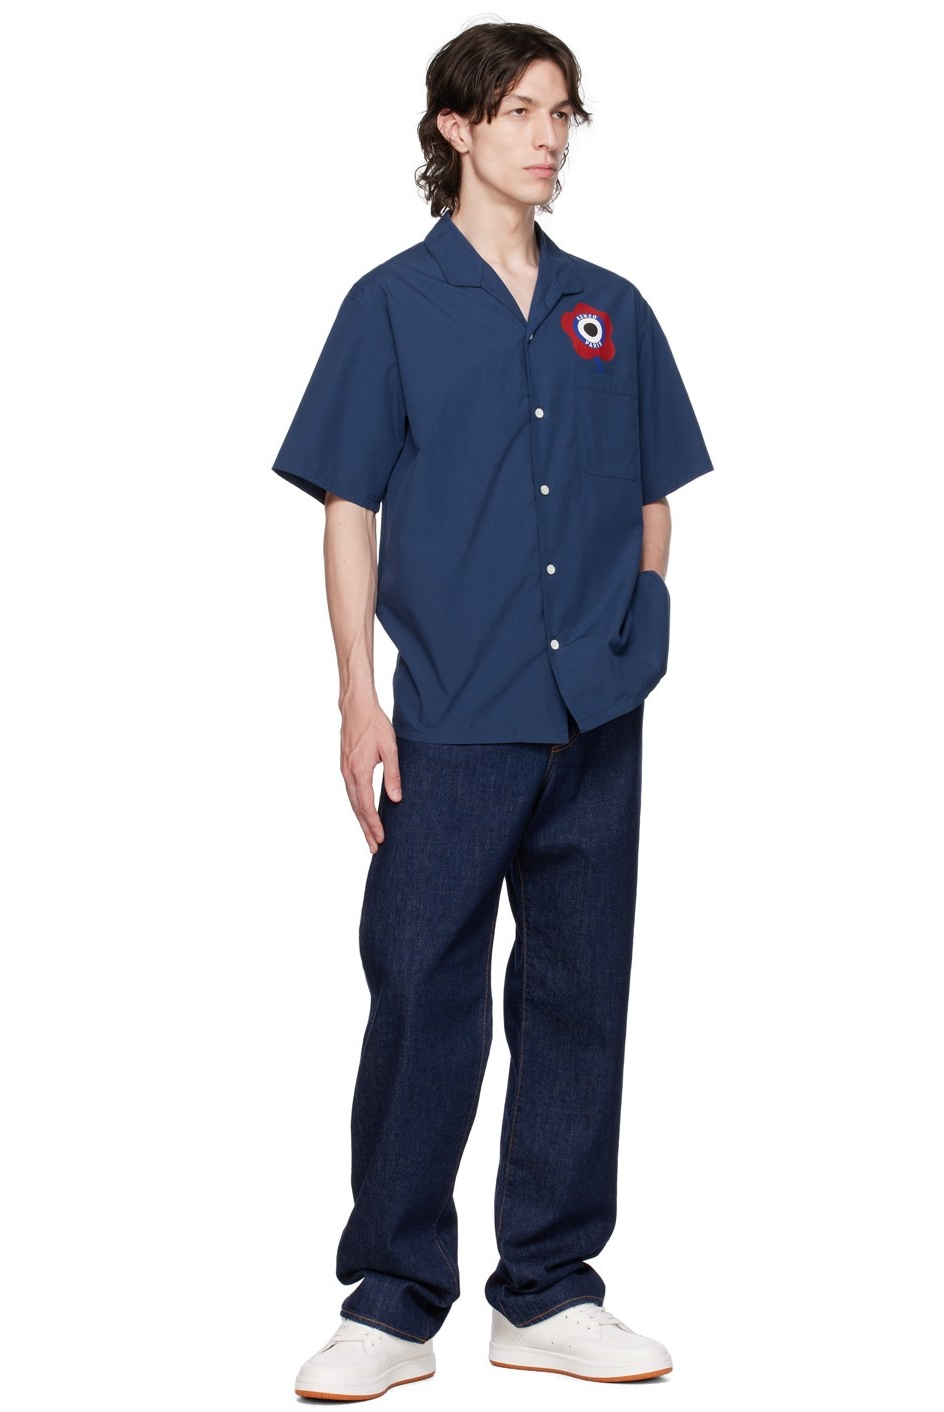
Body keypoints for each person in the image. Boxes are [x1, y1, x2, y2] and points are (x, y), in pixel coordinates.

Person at [271, 19, 713, 1401]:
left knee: (580, 997)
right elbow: (349, 509)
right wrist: (358, 698)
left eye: (561, 112)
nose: (547, 136)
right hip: (453, 718)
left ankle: (549, 1293)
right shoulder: (390, 307)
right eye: (519, 110)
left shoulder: (611, 310)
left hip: (596, 711)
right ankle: (392, 1302)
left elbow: (653, 493)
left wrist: (643, 623)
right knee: (422, 992)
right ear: (454, 129)